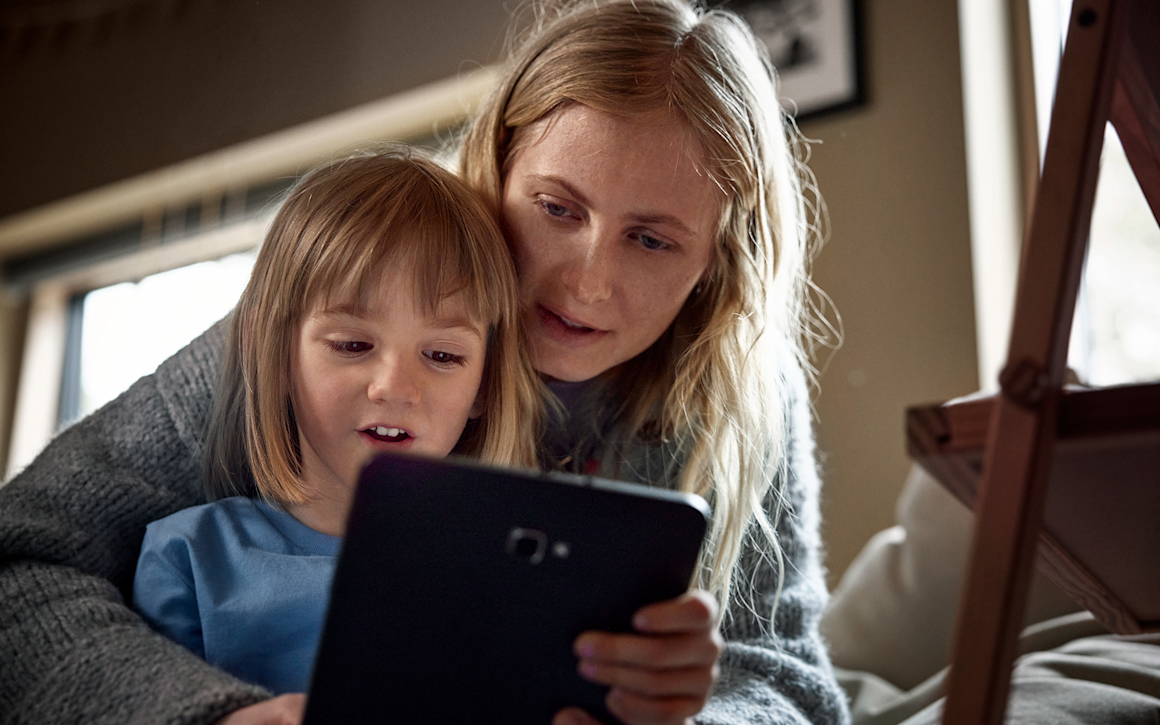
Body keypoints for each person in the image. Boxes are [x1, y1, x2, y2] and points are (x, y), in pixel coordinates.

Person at [0, 1, 849, 724]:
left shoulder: (742, 394)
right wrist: (207, 713)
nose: (588, 284)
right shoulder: (327, 327)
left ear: (717, 263)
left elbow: (791, 678)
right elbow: (22, 562)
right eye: (557, 208)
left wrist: (697, 710)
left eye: (653, 239)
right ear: (497, 165)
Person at [130, 148, 541, 699]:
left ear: (485, 386)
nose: (395, 387)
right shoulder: (189, 557)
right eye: (352, 345)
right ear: (269, 349)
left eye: (443, 356)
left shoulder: (512, 578)